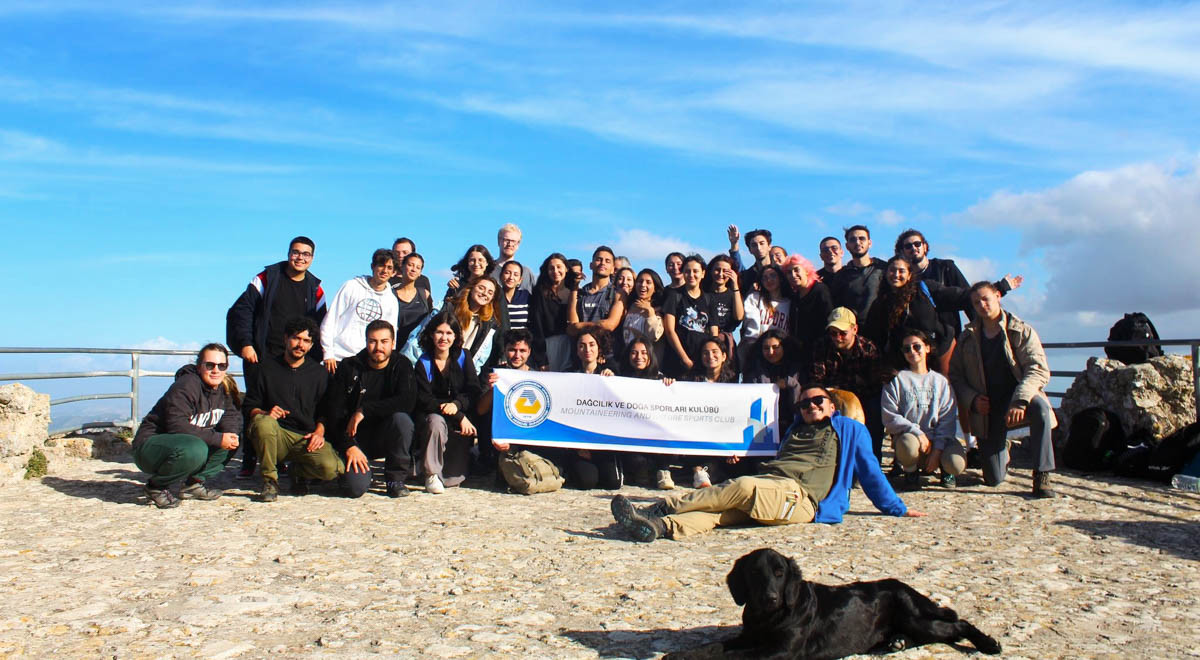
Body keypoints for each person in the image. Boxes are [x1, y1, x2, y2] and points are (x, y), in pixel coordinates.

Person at [610, 385, 925, 542]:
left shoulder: (849, 429)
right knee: (719, 515)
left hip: (801, 498)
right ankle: (658, 527)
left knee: (743, 487)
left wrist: (897, 508)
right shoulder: (794, 430)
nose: (811, 406)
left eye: (818, 401)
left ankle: (660, 508)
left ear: (832, 406)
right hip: (772, 487)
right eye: (804, 403)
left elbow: (870, 472)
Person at [226, 236, 326, 476]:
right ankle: (249, 459)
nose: (300, 258)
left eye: (306, 254)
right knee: (256, 407)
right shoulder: (267, 278)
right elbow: (242, 311)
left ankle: (282, 457)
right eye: (296, 252)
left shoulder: (315, 288)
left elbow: (322, 325)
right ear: (288, 253)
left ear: (312, 258)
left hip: (296, 359)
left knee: (289, 407)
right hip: (261, 355)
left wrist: (318, 359)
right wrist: (245, 344)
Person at [949, 282, 1058, 497]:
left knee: (1042, 409)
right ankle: (1003, 448)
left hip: (1019, 400)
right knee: (994, 479)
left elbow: (1038, 370)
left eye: (985, 299)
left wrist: (1020, 400)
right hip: (988, 408)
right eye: (976, 302)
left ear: (998, 296)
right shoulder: (967, 337)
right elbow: (956, 376)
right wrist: (972, 399)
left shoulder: (1021, 331)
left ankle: (1042, 474)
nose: (982, 305)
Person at [326, 319, 436, 498]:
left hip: (385, 435)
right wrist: (348, 445)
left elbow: (407, 401)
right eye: (373, 341)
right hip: (354, 438)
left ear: (393, 343)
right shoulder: (349, 367)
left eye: (384, 341)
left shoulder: (401, 365)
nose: (378, 347)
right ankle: (347, 471)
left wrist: (364, 410)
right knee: (355, 488)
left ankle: (395, 481)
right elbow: (334, 412)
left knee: (402, 420)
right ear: (366, 342)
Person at [243, 318, 342, 502]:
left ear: (311, 345)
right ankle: (270, 481)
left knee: (332, 469)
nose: (300, 345)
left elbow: (326, 411)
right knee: (263, 424)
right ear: (286, 338)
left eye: (306, 341)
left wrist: (319, 432)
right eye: (296, 338)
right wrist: (265, 413)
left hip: (305, 438)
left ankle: (299, 471)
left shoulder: (320, 374)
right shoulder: (265, 368)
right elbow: (249, 406)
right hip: (275, 436)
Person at [132, 344, 243, 508]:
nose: (216, 370)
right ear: (199, 366)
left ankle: (193, 485)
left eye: (221, 366)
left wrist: (230, 434)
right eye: (210, 365)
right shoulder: (187, 385)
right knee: (195, 448)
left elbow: (231, 415)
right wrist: (218, 438)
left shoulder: (223, 387)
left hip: (184, 443)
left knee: (230, 441)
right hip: (150, 448)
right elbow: (176, 425)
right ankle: (156, 487)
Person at [863, 256, 1018, 372]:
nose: (896, 274)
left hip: (941, 350)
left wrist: (1000, 287)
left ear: (909, 274)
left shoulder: (925, 289)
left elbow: (962, 296)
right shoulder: (881, 303)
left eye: (901, 271)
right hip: (908, 357)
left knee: (949, 395)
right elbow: (874, 335)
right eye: (892, 270)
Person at [881, 330, 966, 491]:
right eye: (907, 349)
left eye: (917, 346)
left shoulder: (941, 382)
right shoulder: (897, 381)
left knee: (956, 463)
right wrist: (917, 433)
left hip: (937, 440)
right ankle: (910, 470)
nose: (912, 351)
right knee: (907, 444)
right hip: (912, 439)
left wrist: (937, 451)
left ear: (927, 348)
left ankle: (946, 470)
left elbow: (947, 419)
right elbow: (890, 417)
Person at [412, 312, 482, 494]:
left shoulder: (464, 357)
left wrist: (457, 405)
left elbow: (473, 390)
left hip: (459, 424)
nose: (444, 338)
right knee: (435, 421)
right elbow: (425, 400)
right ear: (431, 334)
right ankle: (431, 473)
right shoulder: (423, 363)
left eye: (449, 333)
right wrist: (458, 416)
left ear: (456, 336)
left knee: (452, 479)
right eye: (439, 332)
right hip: (434, 419)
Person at [807, 307, 888, 460]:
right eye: (833, 333)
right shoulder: (821, 346)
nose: (837, 338)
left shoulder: (868, 349)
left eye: (843, 333)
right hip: (831, 398)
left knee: (874, 410)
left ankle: (872, 458)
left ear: (854, 329)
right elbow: (817, 380)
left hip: (864, 397)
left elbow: (875, 383)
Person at [320, 249, 399, 373]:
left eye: (389, 268)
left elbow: (391, 334)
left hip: (368, 363)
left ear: (394, 272)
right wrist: (328, 353)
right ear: (373, 266)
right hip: (337, 358)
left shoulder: (391, 301)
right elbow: (330, 320)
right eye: (381, 265)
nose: (385, 271)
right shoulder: (351, 286)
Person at [617, 335, 678, 490]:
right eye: (634, 353)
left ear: (651, 355)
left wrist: (670, 386)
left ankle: (663, 470)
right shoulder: (619, 379)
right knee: (637, 463)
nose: (639, 357)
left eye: (644, 353)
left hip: (655, 434)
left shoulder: (660, 379)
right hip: (631, 435)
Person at [895, 229, 972, 342]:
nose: (913, 248)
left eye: (917, 244)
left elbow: (968, 298)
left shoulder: (945, 268)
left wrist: (978, 328)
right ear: (902, 252)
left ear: (925, 247)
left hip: (949, 339)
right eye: (908, 246)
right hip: (918, 343)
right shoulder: (902, 279)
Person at [684, 337, 739, 489]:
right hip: (696, 438)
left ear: (724, 356)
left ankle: (700, 471)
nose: (710, 356)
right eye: (705, 353)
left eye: (715, 352)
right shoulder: (689, 381)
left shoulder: (735, 382)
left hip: (722, 439)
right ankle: (698, 471)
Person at [662, 255, 717, 378]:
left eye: (695, 271)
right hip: (677, 360)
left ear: (703, 274)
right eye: (687, 271)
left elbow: (714, 333)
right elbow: (669, 330)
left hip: (702, 361)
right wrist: (685, 359)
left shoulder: (709, 299)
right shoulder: (674, 296)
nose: (691, 275)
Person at [741, 329, 805, 433]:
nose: (771, 352)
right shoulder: (754, 369)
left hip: (793, 424)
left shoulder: (797, 368)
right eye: (766, 348)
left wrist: (790, 383)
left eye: (775, 347)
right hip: (763, 426)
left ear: (784, 347)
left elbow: (799, 404)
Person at [567, 246, 625, 352]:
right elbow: (572, 328)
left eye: (607, 261)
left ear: (613, 269)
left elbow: (610, 325)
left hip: (607, 355)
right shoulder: (578, 293)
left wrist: (581, 325)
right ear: (591, 265)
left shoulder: (618, 293)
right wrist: (574, 288)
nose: (603, 263)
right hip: (581, 354)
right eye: (599, 259)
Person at [830, 225, 887, 321]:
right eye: (852, 240)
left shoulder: (884, 268)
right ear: (847, 246)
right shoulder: (841, 276)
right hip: (851, 327)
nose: (857, 242)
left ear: (870, 243)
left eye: (862, 238)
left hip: (881, 326)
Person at [528, 253, 573, 371]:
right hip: (549, 346)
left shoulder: (575, 292)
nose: (555, 271)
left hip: (572, 346)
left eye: (559, 267)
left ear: (566, 269)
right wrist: (541, 358)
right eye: (551, 268)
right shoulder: (540, 293)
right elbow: (536, 325)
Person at [450, 276, 504, 373]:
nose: (485, 293)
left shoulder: (489, 323)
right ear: (471, 288)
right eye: (481, 288)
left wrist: (471, 375)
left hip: (462, 373)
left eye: (490, 292)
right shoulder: (449, 308)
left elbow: (481, 356)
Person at [739, 265, 790, 367]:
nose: (769, 280)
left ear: (780, 278)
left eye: (773, 276)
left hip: (781, 351)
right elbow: (752, 328)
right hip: (756, 349)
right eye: (764, 278)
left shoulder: (789, 303)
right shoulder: (755, 298)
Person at [783, 254, 834, 349]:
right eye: (789, 272)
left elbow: (829, 320)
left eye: (796, 270)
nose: (793, 275)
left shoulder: (820, 290)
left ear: (806, 270)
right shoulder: (795, 296)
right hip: (799, 349)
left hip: (819, 349)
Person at [619, 269, 665, 360]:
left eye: (648, 282)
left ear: (655, 288)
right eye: (640, 281)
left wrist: (650, 312)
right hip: (628, 359)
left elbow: (654, 336)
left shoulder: (659, 310)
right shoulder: (629, 305)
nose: (643, 285)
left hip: (647, 361)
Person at [393, 252, 434, 348]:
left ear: (420, 273)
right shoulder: (391, 295)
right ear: (402, 267)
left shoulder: (425, 294)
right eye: (410, 265)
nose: (413, 269)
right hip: (395, 346)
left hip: (417, 349)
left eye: (418, 267)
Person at [703, 255, 744, 338]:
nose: (720, 274)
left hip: (725, 338)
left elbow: (739, 317)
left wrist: (735, 286)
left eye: (725, 271)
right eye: (717, 270)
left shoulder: (733, 295)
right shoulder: (703, 293)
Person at [491, 223, 536, 293]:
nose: (509, 244)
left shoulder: (526, 273)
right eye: (506, 240)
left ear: (518, 245)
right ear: (499, 241)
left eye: (513, 241)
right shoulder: (489, 269)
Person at [737, 228, 774, 295]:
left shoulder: (781, 271)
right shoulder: (746, 276)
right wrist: (750, 293)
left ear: (769, 246)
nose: (758, 248)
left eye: (762, 243)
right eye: (754, 245)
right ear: (750, 250)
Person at [499, 260, 531, 331]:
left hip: (522, 337)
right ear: (501, 276)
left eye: (516, 275)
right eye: (507, 273)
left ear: (520, 280)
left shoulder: (526, 296)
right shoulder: (495, 296)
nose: (511, 277)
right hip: (500, 338)